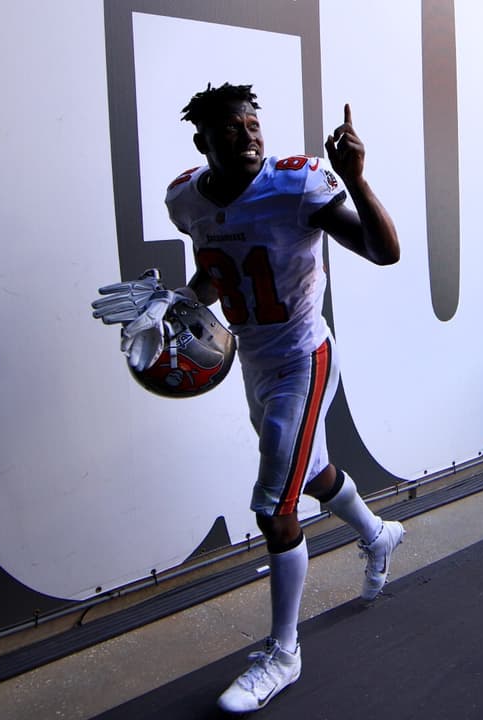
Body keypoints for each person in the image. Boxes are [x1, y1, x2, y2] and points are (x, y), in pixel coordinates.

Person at [95, 83, 404, 713]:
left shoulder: (297, 186)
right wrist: (179, 304)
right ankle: (377, 533)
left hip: (304, 358)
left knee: (273, 508)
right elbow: (216, 271)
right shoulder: (189, 199)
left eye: (254, 123)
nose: (249, 134)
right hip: (254, 364)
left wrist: (357, 180)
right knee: (310, 474)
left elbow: (384, 251)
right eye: (232, 127)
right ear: (201, 141)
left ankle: (283, 654)